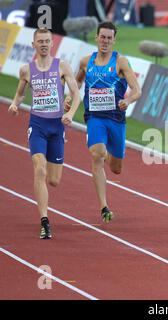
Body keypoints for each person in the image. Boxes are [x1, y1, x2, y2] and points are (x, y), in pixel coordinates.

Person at [8, 28, 80, 239]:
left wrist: (71, 115)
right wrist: (13, 104)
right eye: (40, 41)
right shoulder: (26, 70)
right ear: (33, 45)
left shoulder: (63, 67)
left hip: (57, 127)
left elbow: (76, 95)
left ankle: (45, 209)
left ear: (52, 43)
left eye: (47, 41)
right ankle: (45, 221)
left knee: (54, 180)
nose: (44, 44)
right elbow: (20, 95)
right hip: (37, 125)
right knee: (39, 169)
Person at [67, 21, 141, 222]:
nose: (105, 41)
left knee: (116, 168)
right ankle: (104, 206)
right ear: (96, 38)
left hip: (116, 120)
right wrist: (69, 97)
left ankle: (107, 149)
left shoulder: (121, 62)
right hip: (95, 118)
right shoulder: (85, 62)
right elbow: (77, 83)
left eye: (109, 38)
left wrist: (127, 100)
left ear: (114, 40)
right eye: (102, 37)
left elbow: (137, 90)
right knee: (97, 155)